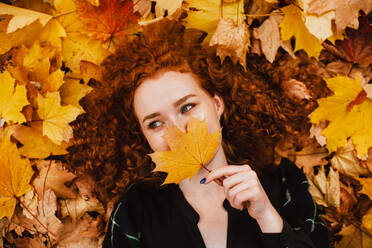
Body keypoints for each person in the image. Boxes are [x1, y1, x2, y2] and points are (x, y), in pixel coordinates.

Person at [68, 19, 331, 247]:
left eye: (187, 107)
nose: (178, 131)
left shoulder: (281, 182)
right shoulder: (136, 211)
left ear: (217, 105)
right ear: (143, 136)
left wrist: (267, 217)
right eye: (155, 123)